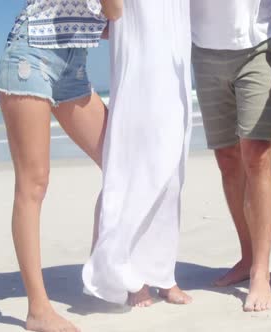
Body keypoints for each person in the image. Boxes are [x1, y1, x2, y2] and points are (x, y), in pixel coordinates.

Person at [0, 1, 118, 331]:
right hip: (31, 57)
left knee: (122, 165)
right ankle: (38, 309)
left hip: (72, 70)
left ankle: (104, 269)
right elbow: (116, 11)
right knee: (33, 183)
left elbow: (105, 24)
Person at [83, 0, 193, 307]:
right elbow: (110, 11)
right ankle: (127, 273)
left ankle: (163, 273)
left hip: (175, 51)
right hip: (140, 53)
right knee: (140, 163)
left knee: (173, 166)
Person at [190, 0, 271, 312]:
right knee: (228, 160)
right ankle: (247, 256)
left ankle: (261, 271)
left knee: (257, 155)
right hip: (203, 49)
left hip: (256, 45)